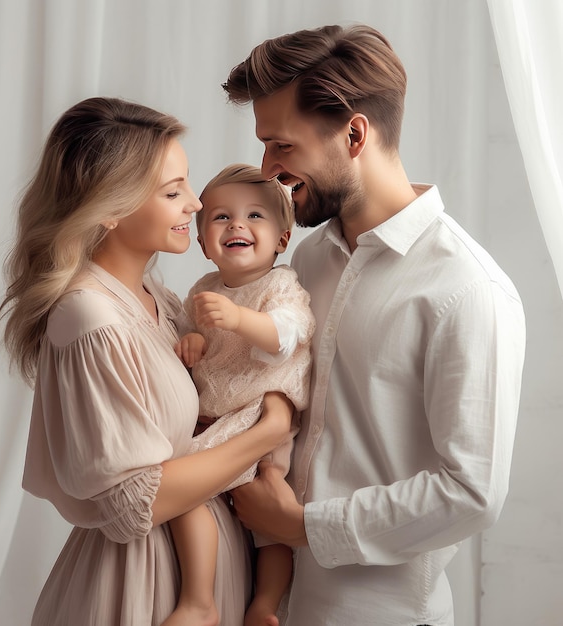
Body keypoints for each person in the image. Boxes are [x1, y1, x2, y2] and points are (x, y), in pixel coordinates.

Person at [222, 24, 526, 625]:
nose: (266, 169)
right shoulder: (307, 262)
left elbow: (472, 492)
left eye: (281, 146)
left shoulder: (465, 288)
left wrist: (301, 526)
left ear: (355, 133)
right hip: (272, 603)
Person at [0, 97, 293, 626]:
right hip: (143, 585)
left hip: (202, 573)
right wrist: (267, 433)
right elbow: (137, 505)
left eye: (188, 185)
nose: (196, 206)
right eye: (173, 192)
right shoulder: (91, 319)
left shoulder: (157, 297)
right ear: (109, 209)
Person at [166, 164, 315, 626]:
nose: (237, 225)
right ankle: (217, 598)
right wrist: (194, 343)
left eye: (255, 216)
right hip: (221, 413)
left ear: (282, 239)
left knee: (203, 496)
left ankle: (238, 604)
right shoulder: (202, 290)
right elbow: (200, 338)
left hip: (257, 414)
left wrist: (239, 321)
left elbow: (290, 333)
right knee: (221, 503)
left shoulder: (280, 285)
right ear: (204, 243)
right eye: (221, 218)